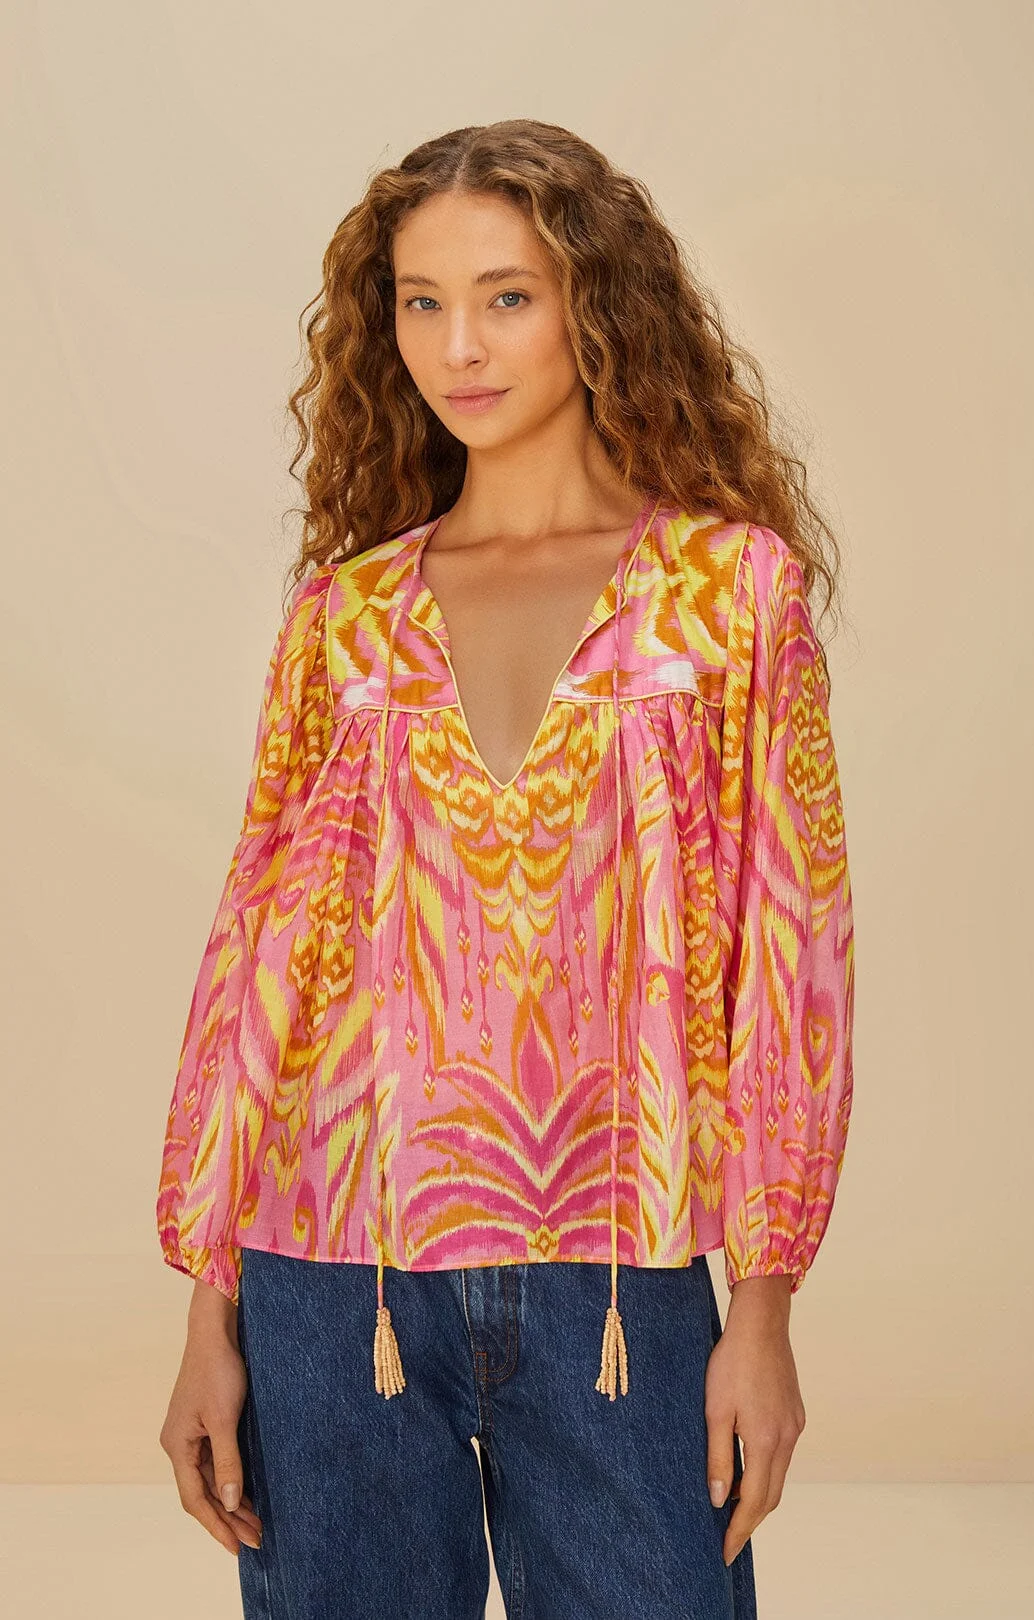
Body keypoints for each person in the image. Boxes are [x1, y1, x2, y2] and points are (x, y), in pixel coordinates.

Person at [156, 117, 855, 1620]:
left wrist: (765, 1306)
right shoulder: (344, 616)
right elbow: (255, 968)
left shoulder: (730, 593)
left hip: (621, 1275)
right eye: (421, 302)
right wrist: (211, 1312)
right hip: (329, 1276)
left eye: (507, 296)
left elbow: (791, 954)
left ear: (599, 305)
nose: (459, 346)